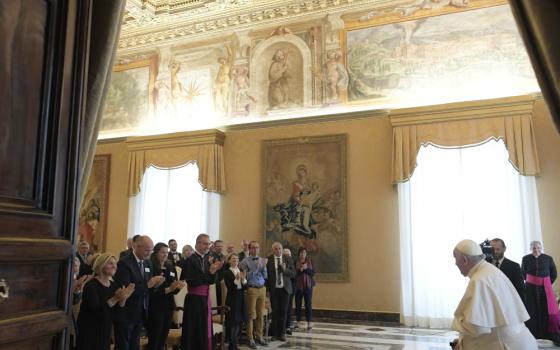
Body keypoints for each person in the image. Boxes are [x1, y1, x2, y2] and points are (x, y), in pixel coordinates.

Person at [450, 239, 537, 350]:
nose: (455, 263)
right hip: (520, 342)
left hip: (507, 345)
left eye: (455, 258)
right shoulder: (490, 270)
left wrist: (457, 322)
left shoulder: (479, 280)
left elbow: (476, 327)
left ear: (465, 260)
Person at [113, 236, 165, 350]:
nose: (149, 253)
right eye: (147, 250)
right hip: (126, 313)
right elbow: (126, 290)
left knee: (134, 346)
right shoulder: (124, 263)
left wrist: (156, 284)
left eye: (151, 250)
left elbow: (148, 288)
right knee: (123, 346)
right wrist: (149, 285)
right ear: (136, 246)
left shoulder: (148, 263)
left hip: (141, 312)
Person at [76, 253, 135, 350]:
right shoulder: (91, 285)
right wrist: (115, 298)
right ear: (101, 265)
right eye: (110, 263)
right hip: (89, 329)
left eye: (115, 264)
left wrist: (123, 300)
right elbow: (98, 311)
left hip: (105, 328)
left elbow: (117, 313)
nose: (114, 266)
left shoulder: (114, 285)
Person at [180, 233, 224, 350]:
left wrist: (214, 271)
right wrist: (210, 272)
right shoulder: (190, 260)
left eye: (209, 244)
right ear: (197, 244)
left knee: (204, 329)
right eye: (205, 243)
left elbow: (212, 281)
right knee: (195, 330)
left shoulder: (206, 259)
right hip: (194, 300)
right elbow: (193, 281)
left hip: (205, 299)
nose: (207, 246)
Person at [147, 242, 185, 350]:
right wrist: (168, 289)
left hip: (168, 306)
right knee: (155, 337)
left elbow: (173, 288)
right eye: (162, 252)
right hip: (155, 306)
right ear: (155, 253)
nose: (165, 255)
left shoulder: (170, 266)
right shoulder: (150, 266)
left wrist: (177, 287)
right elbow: (150, 290)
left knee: (163, 337)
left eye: (166, 253)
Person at [522, 240, 560, 343]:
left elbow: (554, 274)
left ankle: (546, 334)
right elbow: (524, 273)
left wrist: (545, 283)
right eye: (534, 248)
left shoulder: (548, 258)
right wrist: (533, 282)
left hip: (545, 290)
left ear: (541, 248)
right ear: (531, 249)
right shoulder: (525, 259)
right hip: (530, 290)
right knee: (532, 311)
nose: (536, 250)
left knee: (545, 311)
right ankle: (533, 334)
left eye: (538, 248)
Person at [239, 241, 268, 349]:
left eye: (257, 247)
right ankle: (250, 338)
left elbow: (265, 276)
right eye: (254, 248)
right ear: (250, 249)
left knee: (260, 315)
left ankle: (259, 336)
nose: (256, 249)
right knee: (251, 315)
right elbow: (244, 277)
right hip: (252, 289)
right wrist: (256, 268)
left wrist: (263, 267)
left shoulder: (261, 260)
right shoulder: (244, 262)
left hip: (262, 289)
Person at [266, 242, 295, 342]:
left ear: (282, 249)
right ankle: (275, 334)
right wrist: (268, 290)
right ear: (273, 250)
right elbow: (267, 277)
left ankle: (282, 333)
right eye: (275, 249)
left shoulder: (288, 259)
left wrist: (284, 269)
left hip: (285, 289)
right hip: (274, 290)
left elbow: (293, 274)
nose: (278, 250)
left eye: (279, 248)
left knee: (283, 311)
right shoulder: (269, 260)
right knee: (275, 312)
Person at [490, 238, 525, 303]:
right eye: (492, 249)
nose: (495, 252)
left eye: (497, 249)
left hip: (508, 303)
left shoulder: (514, 266)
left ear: (504, 249)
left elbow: (520, 290)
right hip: (490, 302)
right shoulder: (485, 264)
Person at [224, 253, 247, 350]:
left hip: (240, 298)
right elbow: (230, 287)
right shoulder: (227, 272)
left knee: (239, 321)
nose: (235, 260)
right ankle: (233, 345)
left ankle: (234, 344)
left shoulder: (240, 270)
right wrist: (237, 279)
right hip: (232, 299)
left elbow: (245, 286)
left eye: (237, 258)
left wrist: (243, 279)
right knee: (232, 322)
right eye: (233, 258)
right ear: (229, 260)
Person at [294, 247, 315, 331]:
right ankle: (298, 321)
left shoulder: (310, 262)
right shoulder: (295, 262)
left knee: (308, 304)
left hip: (308, 286)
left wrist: (305, 269)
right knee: (298, 304)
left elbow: (312, 273)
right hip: (298, 286)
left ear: (306, 254)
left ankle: (309, 322)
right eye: (301, 253)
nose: (303, 254)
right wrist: (300, 270)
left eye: (304, 253)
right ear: (299, 254)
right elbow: (294, 274)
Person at [283, 248, 295, 334]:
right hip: (281, 288)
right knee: (282, 309)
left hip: (291, 287)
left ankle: (287, 326)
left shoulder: (292, 262)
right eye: (285, 255)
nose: (287, 256)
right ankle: (282, 327)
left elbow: (294, 275)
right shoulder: (281, 262)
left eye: (288, 255)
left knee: (288, 308)